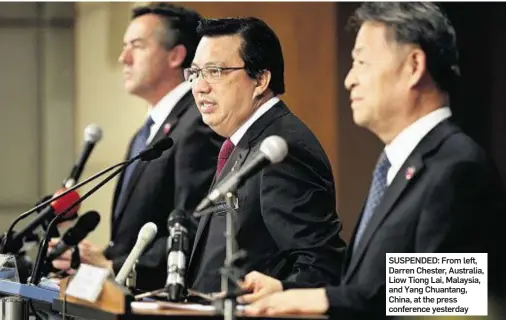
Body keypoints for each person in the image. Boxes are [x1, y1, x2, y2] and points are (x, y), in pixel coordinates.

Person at [240, 3, 506, 318]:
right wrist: (289, 292)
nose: (349, 80)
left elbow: (444, 298)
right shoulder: (395, 167)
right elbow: (369, 287)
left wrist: (322, 301)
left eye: (362, 62)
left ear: (414, 66)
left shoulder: (459, 167)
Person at [49, 3, 223, 291]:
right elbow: (135, 236)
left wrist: (116, 266)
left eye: (137, 46)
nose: (123, 58)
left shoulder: (197, 125)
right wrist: (96, 257)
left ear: (176, 55)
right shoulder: (145, 132)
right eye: (123, 46)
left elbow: (196, 228)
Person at [184, 17, 347, 296]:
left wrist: (281, 290)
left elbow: (320, 264)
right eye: (196, 72)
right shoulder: (244, 143)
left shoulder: (282, 150)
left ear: (260, 79)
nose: (199, 86)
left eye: (215, 71)